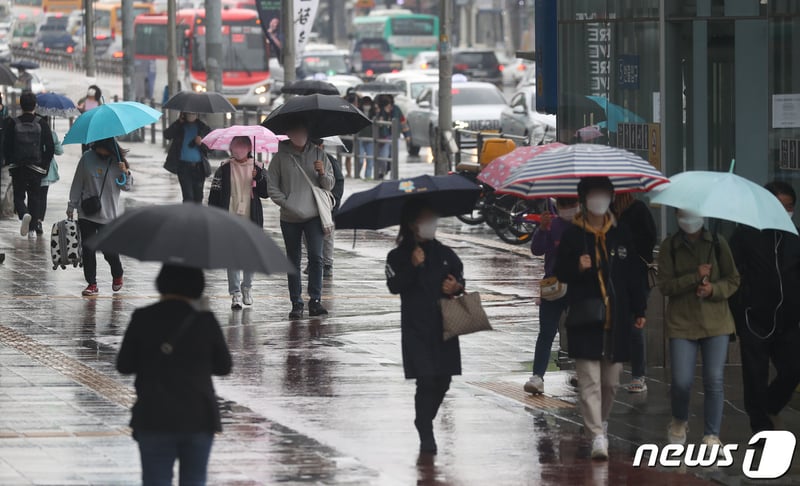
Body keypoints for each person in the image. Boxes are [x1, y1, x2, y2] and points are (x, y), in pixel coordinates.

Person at [554, 177, 646, 460]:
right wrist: (577, 266)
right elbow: (560, 272)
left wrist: (639, 309)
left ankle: (601, 423)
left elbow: (633, 274)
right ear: (583, 199)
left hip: (615, 320)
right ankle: (596, 436)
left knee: (611, 382)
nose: (599, 199)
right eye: (594, 194)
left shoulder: (621, 234)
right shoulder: (573, 235)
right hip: (585, 320)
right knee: (590, 381)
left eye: (604, 194)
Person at [117, 264, 232, 486]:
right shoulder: (205, 320)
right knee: (194, 480)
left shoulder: (143, 317)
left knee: (156, 480)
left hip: (153, 414)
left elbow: (124, 365)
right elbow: (223, 366)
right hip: (198, 416)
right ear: (197, 287)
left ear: (161, 283)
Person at [386, 200, 464, 455]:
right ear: (412, 224)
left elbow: (459, 277)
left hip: (445, 326)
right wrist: (413, 265)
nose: (431, 224)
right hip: (416, 328)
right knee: (426, 379)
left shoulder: (444, 253)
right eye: (425, 219)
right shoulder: (397, 256)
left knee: (444, 379)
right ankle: (425, 429)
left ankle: (424, 418)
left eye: (433, 218)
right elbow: (395, 286)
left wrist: (457, 287)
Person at [657, 208, 740, 449]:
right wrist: (694, 276)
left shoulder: (717, 242)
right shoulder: (669, 246)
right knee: (681, 381)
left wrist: (713, 289)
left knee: (714, 379)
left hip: (716, 322)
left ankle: (712, 434)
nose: (689, 218)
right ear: (676, 215)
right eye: (683, 213)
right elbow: (665, 286)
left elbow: (733, 279)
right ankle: (679, 420)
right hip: (682, 323)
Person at [729, 181, 800, 433]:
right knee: (755, 377)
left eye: (790, 206)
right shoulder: (746, 234)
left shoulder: (794, 236)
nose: (785, 211)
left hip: (789, 321)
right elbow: (730, 274)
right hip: (754, 319)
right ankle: (760, 428)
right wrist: (738, 311)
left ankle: (770, 405)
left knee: (793, 369)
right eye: (780, 205)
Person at [267, 122, 334, 319]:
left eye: (303, 130)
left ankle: (315, 300)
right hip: (290, 217)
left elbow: (329, 185)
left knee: (316, 257)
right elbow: (272, 188)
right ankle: (296, 302)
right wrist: (288, 204)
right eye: (295, 130)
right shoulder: (280, 157)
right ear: (288, 133)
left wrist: (322, 173)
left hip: (314, 216)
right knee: (292, 260)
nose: (300, 134)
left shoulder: (319, 154)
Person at [524, 197, 579, 395]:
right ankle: (537, 376)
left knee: (580, 329)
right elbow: (537, 250)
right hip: (553, 286)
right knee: (546, 332)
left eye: (572, 203)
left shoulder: (586, 225)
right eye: (564, 204)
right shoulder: (552, 224)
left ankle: (581, 371)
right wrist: (543, 229)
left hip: (578, 286)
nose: (568, 209)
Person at [208, 136, 268, 310]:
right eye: (235, 147)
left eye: (242, 147)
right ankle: (235, 293)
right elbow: (214, 194)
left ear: (249, 148)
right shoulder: (224, 168)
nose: (238, 151)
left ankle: (247, 287)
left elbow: (266, 193)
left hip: (251, 217)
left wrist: (260, 178)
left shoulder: (258, 167)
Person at [67, 137, 133, 296]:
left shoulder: (117, 162)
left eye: (101, 149)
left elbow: (127, 186)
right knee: (88, 249)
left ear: (109, 147)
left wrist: (125, 172)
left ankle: (117, 273)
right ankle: (91, 283)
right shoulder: (86, 158)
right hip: (87, 212)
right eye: (97, 148)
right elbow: (78, 182)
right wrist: (72, 205)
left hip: (108, 214)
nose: (98, 151)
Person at [613, 193, 657, 394]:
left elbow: (649, 239)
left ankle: (639, 375)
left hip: (637, 277)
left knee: (635, 327)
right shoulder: (608, 212)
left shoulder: (638, 210)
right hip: (615, 278)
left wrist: (626, 238)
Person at [3, 91, 54, 237]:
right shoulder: (41, 123)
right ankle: (32, 230)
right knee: (35, 197)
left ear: (20, 105)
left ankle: (24, 213)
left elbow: (6, 145)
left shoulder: (13, 123)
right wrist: (44, 165)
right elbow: (49, 147)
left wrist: (9, 161)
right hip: (36, 167)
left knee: (18, 196)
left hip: (18, 166)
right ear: (35, 105)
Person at [164, 112, 212, 203]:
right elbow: (167, 135)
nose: (191, 115)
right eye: (189, 113)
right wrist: (178, 122)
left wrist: (201, 144)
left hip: (199, 167)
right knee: (188, 197)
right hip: (183, 167)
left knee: (198, 197)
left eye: (193, 113)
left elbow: (211, 148)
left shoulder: (203, 128)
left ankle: (197, 217)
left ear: (197, 114)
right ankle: (188, 216)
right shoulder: (180, 126)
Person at [373, 94, 409, 179]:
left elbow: (403, 122)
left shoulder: (396, 109)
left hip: (394, 136)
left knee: (393, 156)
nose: (389, 104)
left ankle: (393, 175)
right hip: (383, 137)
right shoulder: (379, 110)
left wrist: (407, 135)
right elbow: (375, 122)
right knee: (383, 156)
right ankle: (382, 171)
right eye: (387, 102)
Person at [37, 129, 63, 234]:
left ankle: (31, 219)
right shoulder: (51, 133)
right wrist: (56, 140)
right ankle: (38, 222)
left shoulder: (27, 129)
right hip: (46, 170)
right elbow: (59, 151)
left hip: (29, 168)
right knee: (42, 197)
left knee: (32, 195)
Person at [356, 96, 375, 179]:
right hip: (360, 138)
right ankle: (357, 174)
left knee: (370, 160)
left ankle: (368, 176)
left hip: (371, 138)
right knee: (360, 159)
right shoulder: (358, 112)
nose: (367, 105)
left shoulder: (374, 113)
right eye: (365, 104)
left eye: (368, 104)